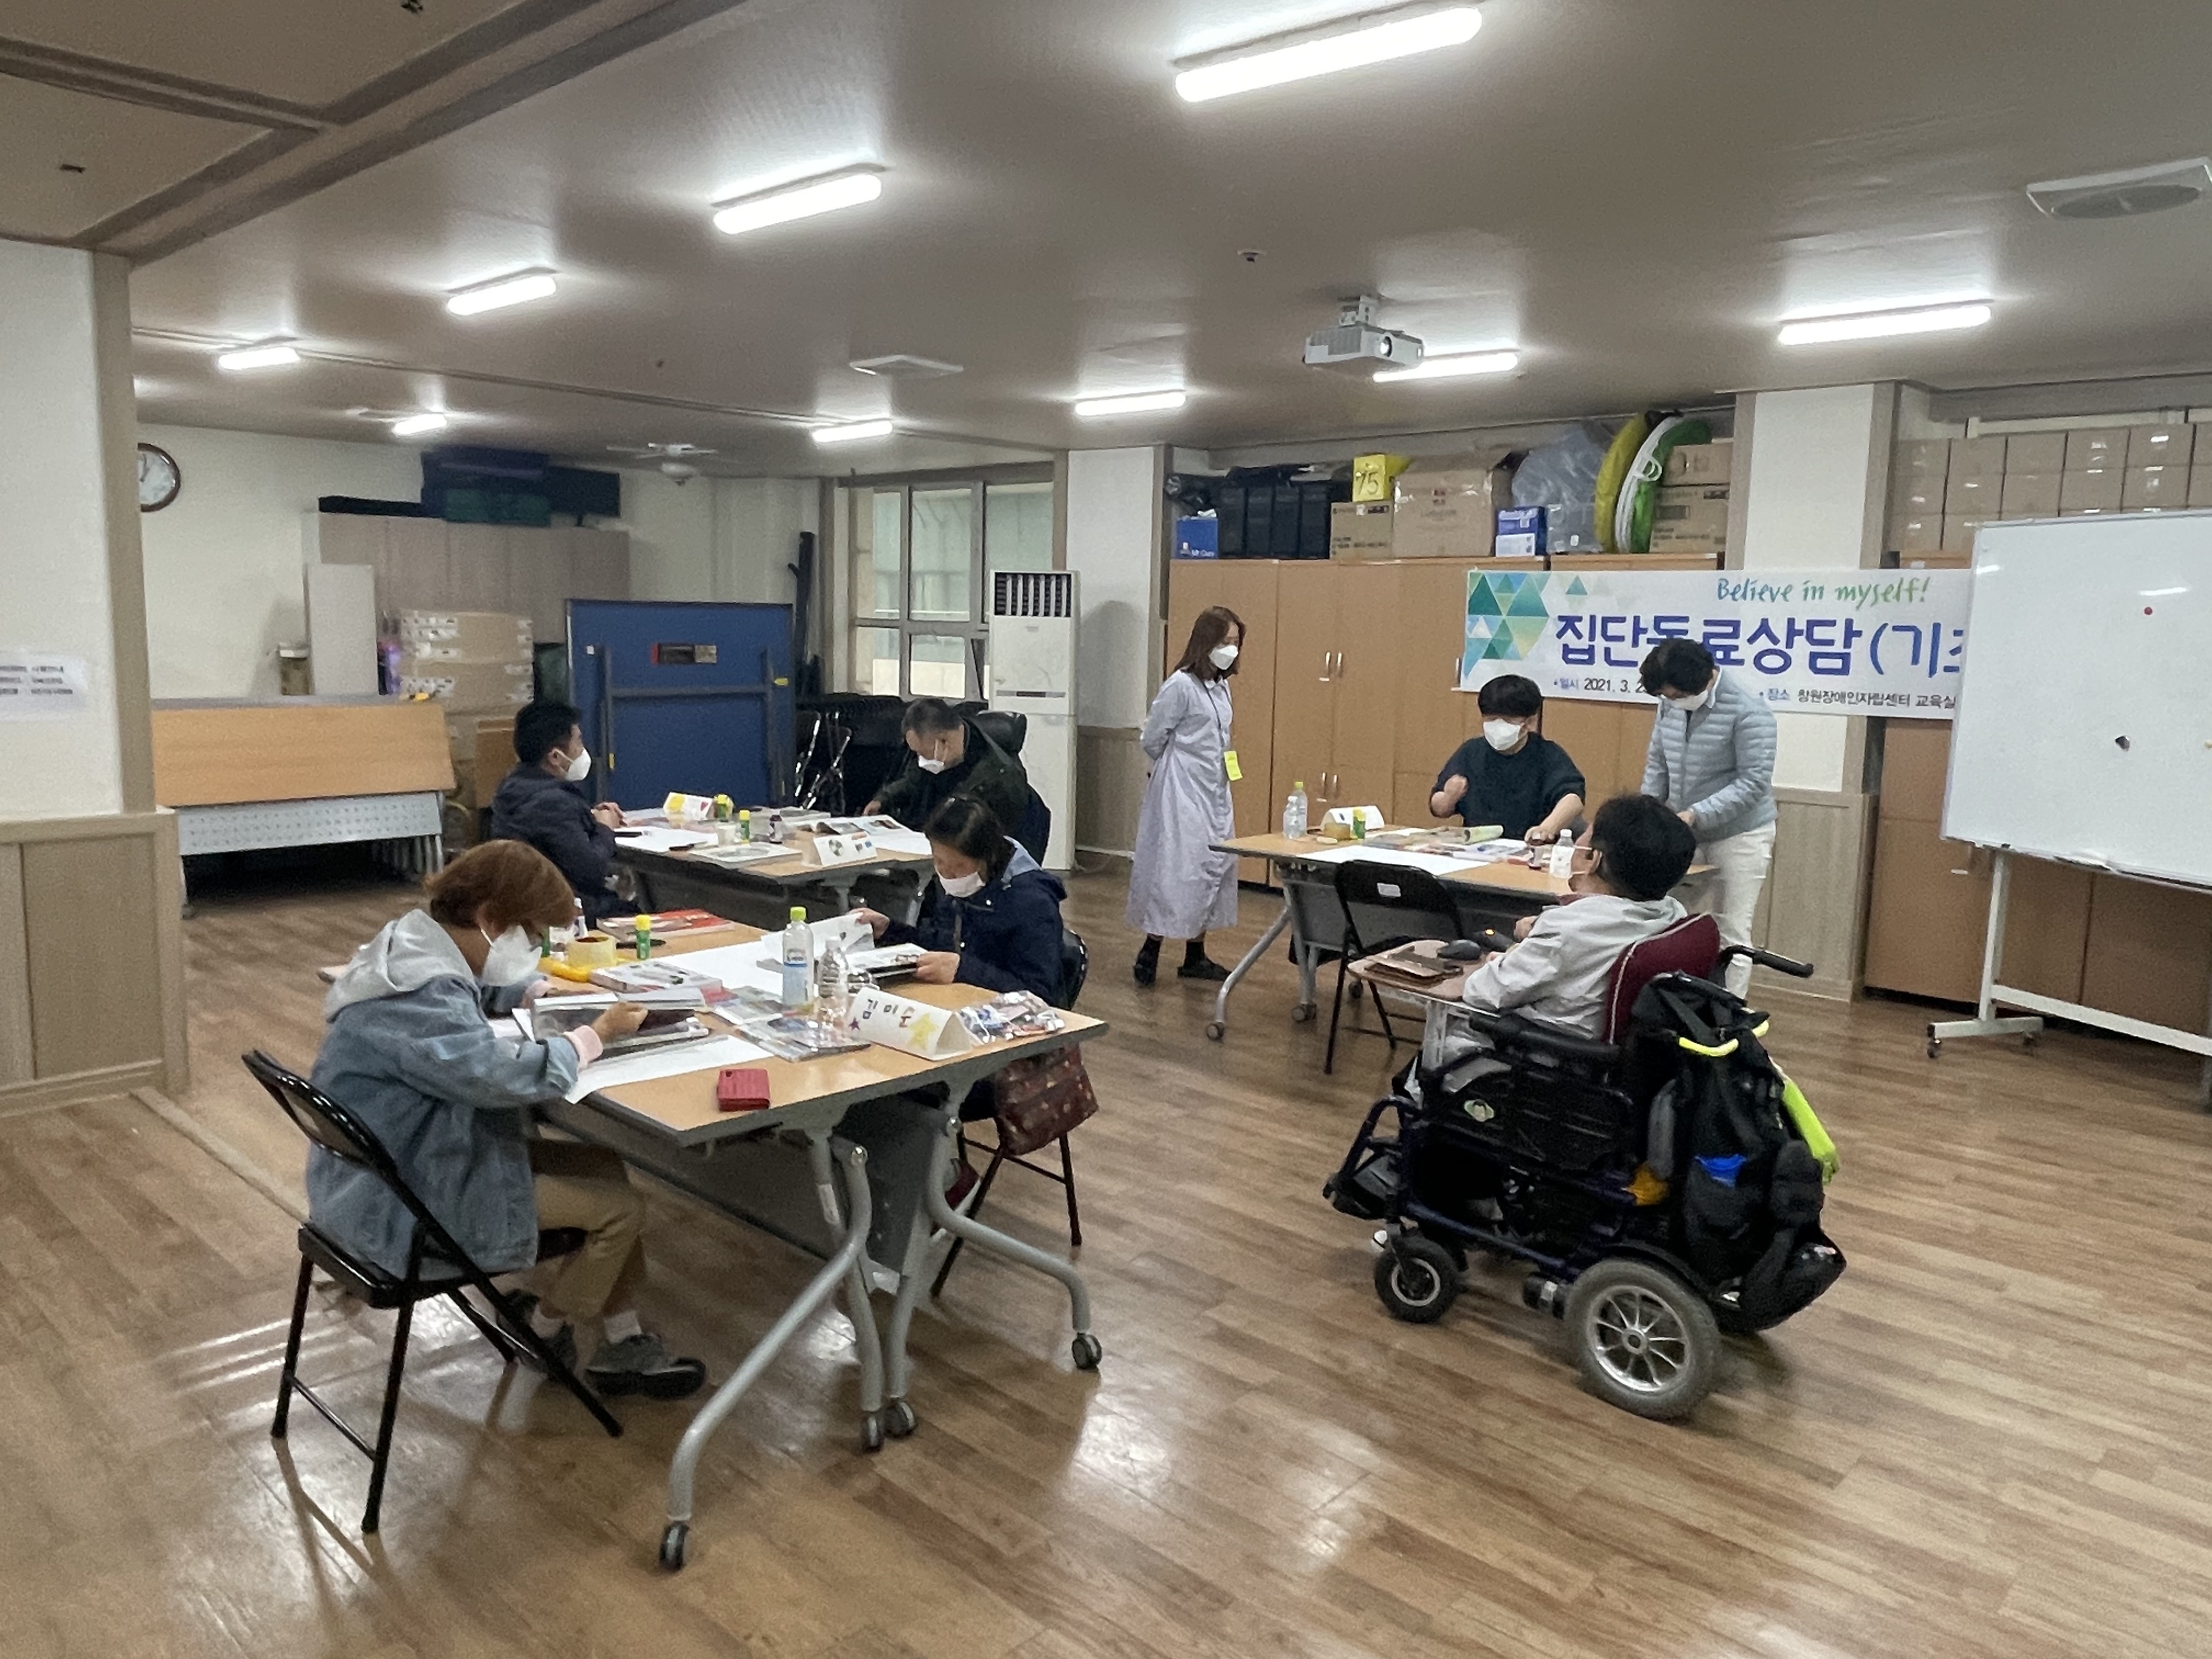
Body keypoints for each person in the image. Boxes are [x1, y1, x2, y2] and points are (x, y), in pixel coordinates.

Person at [309, 839, 707, 1401]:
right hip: (409, 1201)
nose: (537, 948)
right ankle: (542, 1329)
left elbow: (463, 988)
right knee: (623, 1211)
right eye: (533, 936)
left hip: (400, 1161)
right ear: (491, 919)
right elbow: (497, 1077)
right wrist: (591, 1037)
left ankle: (624, 1337)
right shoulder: (422, 997)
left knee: (602, 1164)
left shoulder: (410, 946)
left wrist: (526, 991)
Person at [1459, 792, 1699, 1037]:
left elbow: (1481, 992)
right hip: (1618, 1050)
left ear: (1593, 858)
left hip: (1536, 1050)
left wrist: (1504, 962)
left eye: (1586, 834)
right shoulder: (1675, 914)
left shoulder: (1566, 932)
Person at [1637, 638, 1778, 997]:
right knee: (1659, 917)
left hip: (1740, 835)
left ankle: (1729, 1014)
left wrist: (1695, 814)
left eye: (1676, 695)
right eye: (1665, 696)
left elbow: (1753, 783)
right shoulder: (1670, 703)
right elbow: (1658, 763)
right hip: (1683, 832)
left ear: (1702, 679)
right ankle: (1662, 1005)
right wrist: (1647, 811)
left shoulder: (1749, 709)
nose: (1671, 701)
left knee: (1732, 931)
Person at [1127, 605, 1244, 985]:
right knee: (1177, 869)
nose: (1231, 649)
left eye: (1236, 642)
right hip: (1182, 789)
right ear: (1206, 642)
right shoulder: (1180, 685)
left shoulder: (1221, 686)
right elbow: (1153, 737)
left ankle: (1196, 954)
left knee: (1212, 867)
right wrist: (1172, 766)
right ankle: (1151, 949)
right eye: (1225, 642)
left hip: (1215, 789)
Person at [854, 795, 1067, 1002]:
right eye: (939, 862)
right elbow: (941, 943)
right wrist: (890, 930)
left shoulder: (1032, 902)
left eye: (959, 866)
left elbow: (1039, 993)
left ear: (987, 858)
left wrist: (963, 970)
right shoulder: (957, 885)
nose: (947, 874)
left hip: (1006, 1013)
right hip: (957, 999)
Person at [489, 700, 625, 924]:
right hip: (566, 912)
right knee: (639, 914)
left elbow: (554, 834)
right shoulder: (553, 801)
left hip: (529, 907)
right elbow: (591, 871)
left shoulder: (514, 787)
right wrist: (604, 827)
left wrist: (587, 817)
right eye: (578, 742)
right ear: (555, 757)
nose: (583, 750)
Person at [1429, 674, 1587, 843]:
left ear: (1530, 723)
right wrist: (1448, 798)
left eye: (1507, 721)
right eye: (1491, 719)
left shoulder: (1547, 754)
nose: (1497, 726)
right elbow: (1439, 809)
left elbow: (1573, 799)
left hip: (1530, 846)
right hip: (1478, 846)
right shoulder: (1471, 752)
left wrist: (1547, 828)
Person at [866, 697, 1030, 843]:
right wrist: (884, 799)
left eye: (922, 753)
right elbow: (913, 780)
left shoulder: (997, 777)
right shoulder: (935, 751)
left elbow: (990, 842)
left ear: (944, 742)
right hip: (926, 837)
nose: (920, 760)